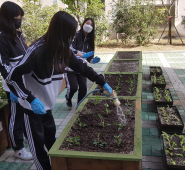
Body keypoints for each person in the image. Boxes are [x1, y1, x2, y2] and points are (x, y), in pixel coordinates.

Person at [6, 11, 112, 170]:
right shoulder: (37, 51)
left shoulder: (64, 50)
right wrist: (28, 98)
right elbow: (12, 76)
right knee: (38, 147)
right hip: (31, 108)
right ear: (61, 32)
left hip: (47, 106)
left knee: (51, 140)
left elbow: (82, 68)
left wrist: (102, 82)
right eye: (70, 34)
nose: (72, 37)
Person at [0, 1, 33, 160]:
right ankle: (17, 148)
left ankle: (28, 141)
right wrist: (11, 87)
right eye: (16, 17)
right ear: (7, 17)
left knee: (26, 114)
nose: (19, 20)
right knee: (16, 117)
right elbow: (3, 66)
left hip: (25, 83)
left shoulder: (17, 35)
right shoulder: (2, 38)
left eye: (21, 17)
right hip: (13, 86)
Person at [65, 18, 101, 109]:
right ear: (83, 24)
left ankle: (79, 105)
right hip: (70, 67)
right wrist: (81, 54)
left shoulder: (90, 40)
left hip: (81, 67)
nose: (89, 25)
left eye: (91, 25)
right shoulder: (75, 35)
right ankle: (68, 98)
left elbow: (89, 57)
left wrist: (92, 61)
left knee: (83, 88)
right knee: (73, 87)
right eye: (87, 23)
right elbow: (69, 49)